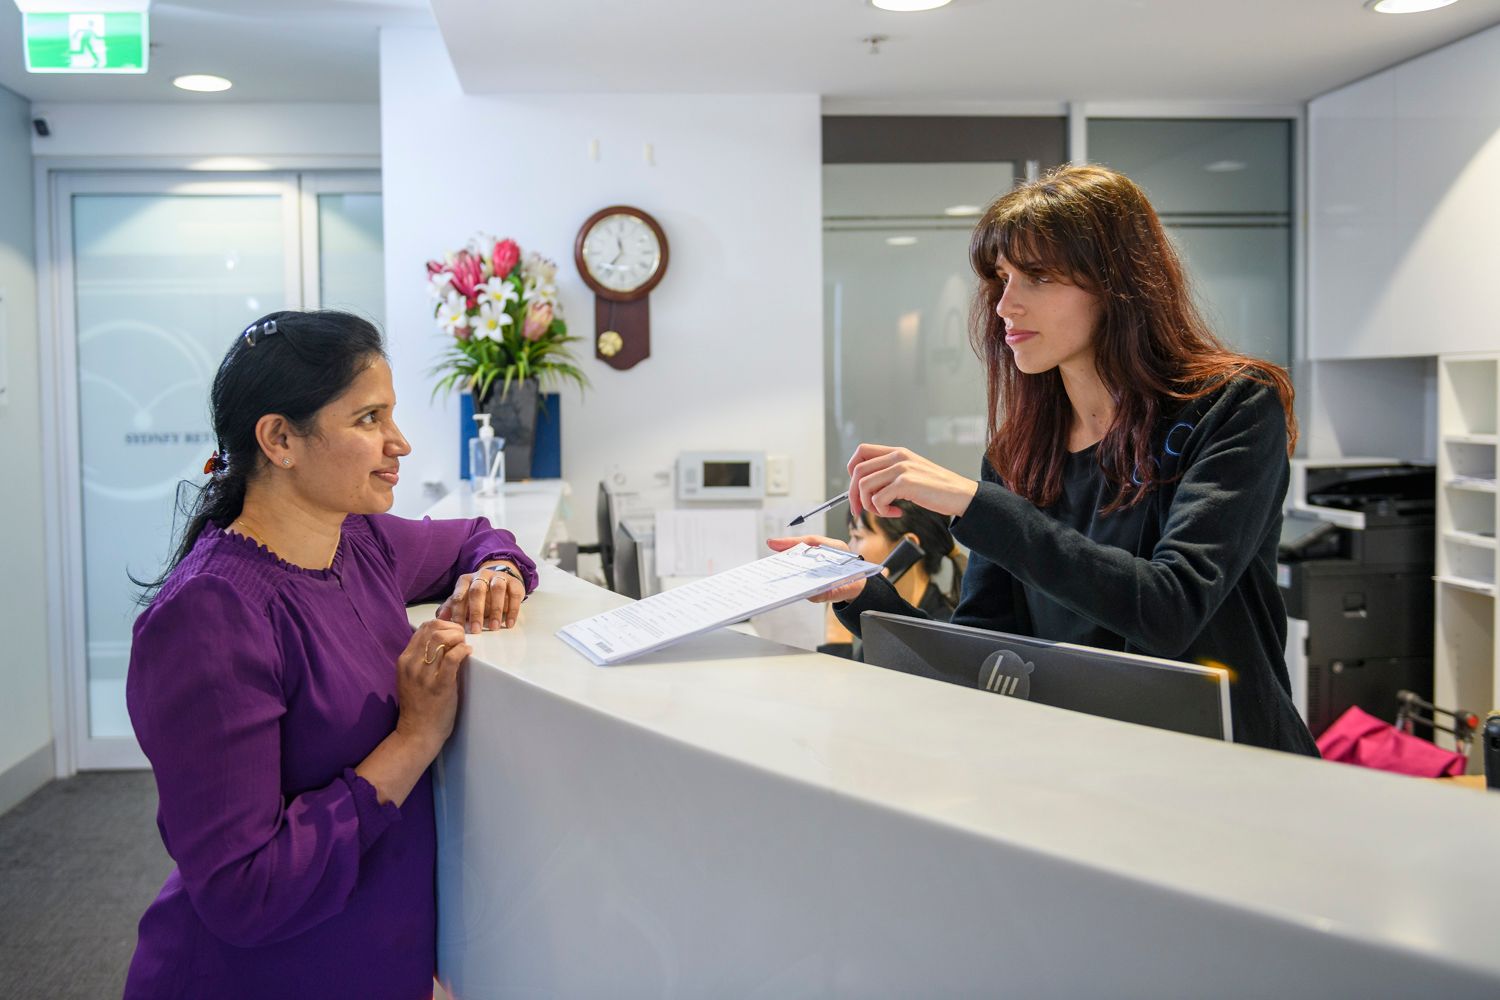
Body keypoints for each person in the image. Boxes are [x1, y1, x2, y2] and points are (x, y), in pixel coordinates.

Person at [775, 164, 1319, 757]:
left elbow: (1169, 608)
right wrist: (862, 593)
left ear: (1118, 284)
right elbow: (983, 652)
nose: (1006, 304)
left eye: (1035, 276)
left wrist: (977, 505)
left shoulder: (1232, 406)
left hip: (1229, 767)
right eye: (1001, 278)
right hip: (1086, 771)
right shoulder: (1018, 455)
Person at [123, 311, 539, 998]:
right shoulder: (209, 616)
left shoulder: (360, 542)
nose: (399, 442)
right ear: (280, 438)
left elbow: (478, 535)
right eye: (369, 418)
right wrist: (415, 735)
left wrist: (496, 571)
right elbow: (244, 892)